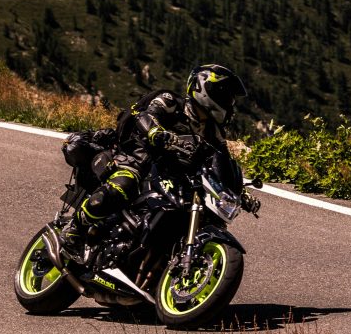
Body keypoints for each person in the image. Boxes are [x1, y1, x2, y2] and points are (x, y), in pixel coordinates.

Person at [61, 63, 248, 262]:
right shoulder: (171, 102)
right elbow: (146, 115)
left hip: (173, 175)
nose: (229, 103)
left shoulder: (213, 132)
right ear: (203, 87)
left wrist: (238, 191)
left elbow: (222, 160)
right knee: (124, 184)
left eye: (231, 99)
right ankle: (74, 230)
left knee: (199, 209)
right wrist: (155, 132)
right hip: (138, 158)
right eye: (225, 95)